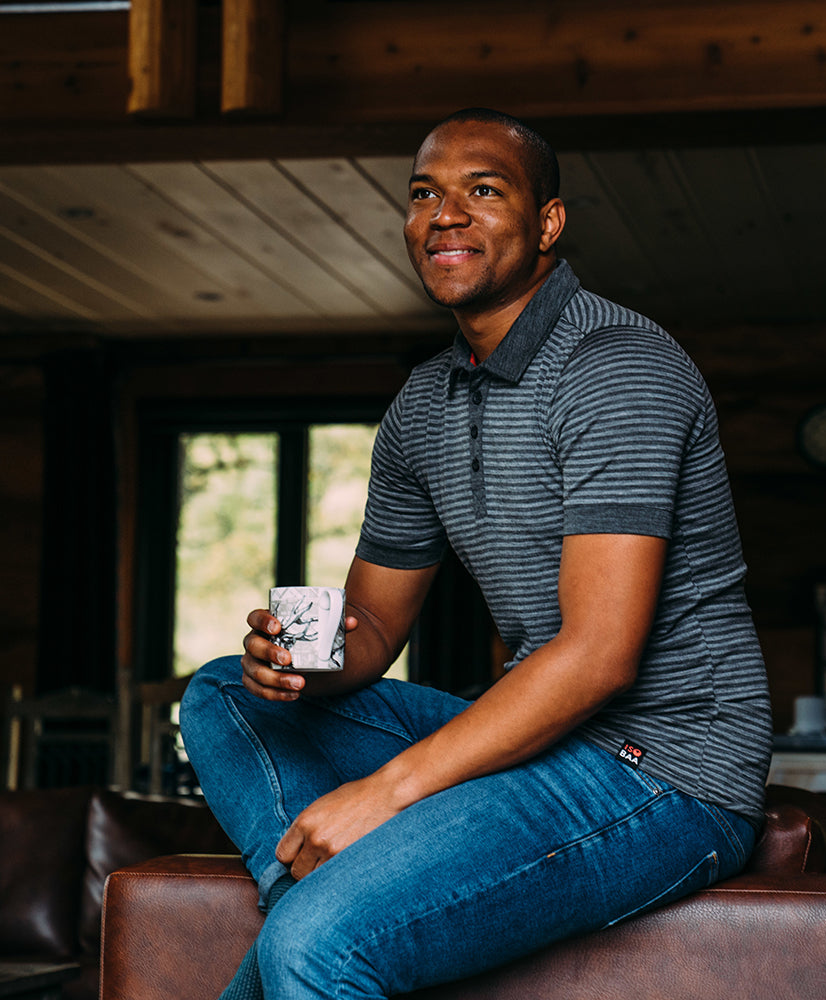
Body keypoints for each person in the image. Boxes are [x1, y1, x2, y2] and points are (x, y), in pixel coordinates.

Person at [179, 108, 772, 1000]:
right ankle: (326, 892)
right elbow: (375, 622)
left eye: (483, 191)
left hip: (666, 768)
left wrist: (388, 793)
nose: (444, 215)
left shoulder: (617, 365)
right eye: (424, 195)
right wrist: (299, 659)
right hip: (544, 742)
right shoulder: (423, 406)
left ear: (548, 224)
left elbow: (601, 655)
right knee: (223, 692)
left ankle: (325, 917)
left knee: (318, 946)